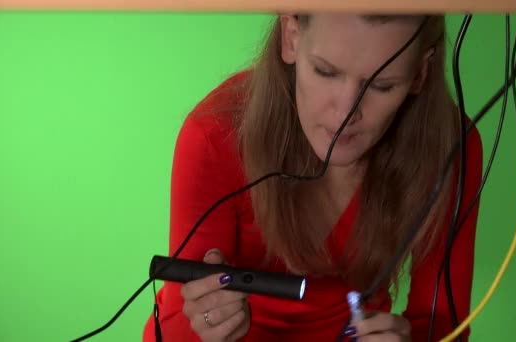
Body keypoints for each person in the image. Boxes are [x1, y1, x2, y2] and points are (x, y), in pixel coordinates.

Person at [143, 13, 483, 342]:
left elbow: (443, 324)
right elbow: (177, 326)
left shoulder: (451, 146)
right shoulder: (215, 134)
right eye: (326, 71)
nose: (347, 112)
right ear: (291, 35)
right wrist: (206, 329)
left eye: (382, 85)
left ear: (421, 72)